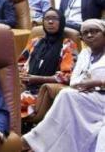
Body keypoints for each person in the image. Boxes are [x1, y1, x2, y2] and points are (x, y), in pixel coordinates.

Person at [21, 19, 105, 152]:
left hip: (102, 98)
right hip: (86, 96)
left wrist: (98, 83)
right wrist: (83, 85)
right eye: (85, 33)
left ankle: (33, 140)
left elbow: (72, 78)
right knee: (67, 95)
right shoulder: (85, 54)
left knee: (67, 95)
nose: (89, 35)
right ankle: (38, 140)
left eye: (94, 31)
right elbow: (74, 81)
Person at [18, 8, 78, 118]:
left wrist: (38, 78)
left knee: (12, 105)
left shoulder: (67, 45)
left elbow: (68, 76)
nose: (50, 22)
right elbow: (20, 63)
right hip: (24, 86)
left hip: (43, 91)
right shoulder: (35, 41)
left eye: (55, 19)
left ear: (62, 22)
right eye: (47, 19)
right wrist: (21, 75)